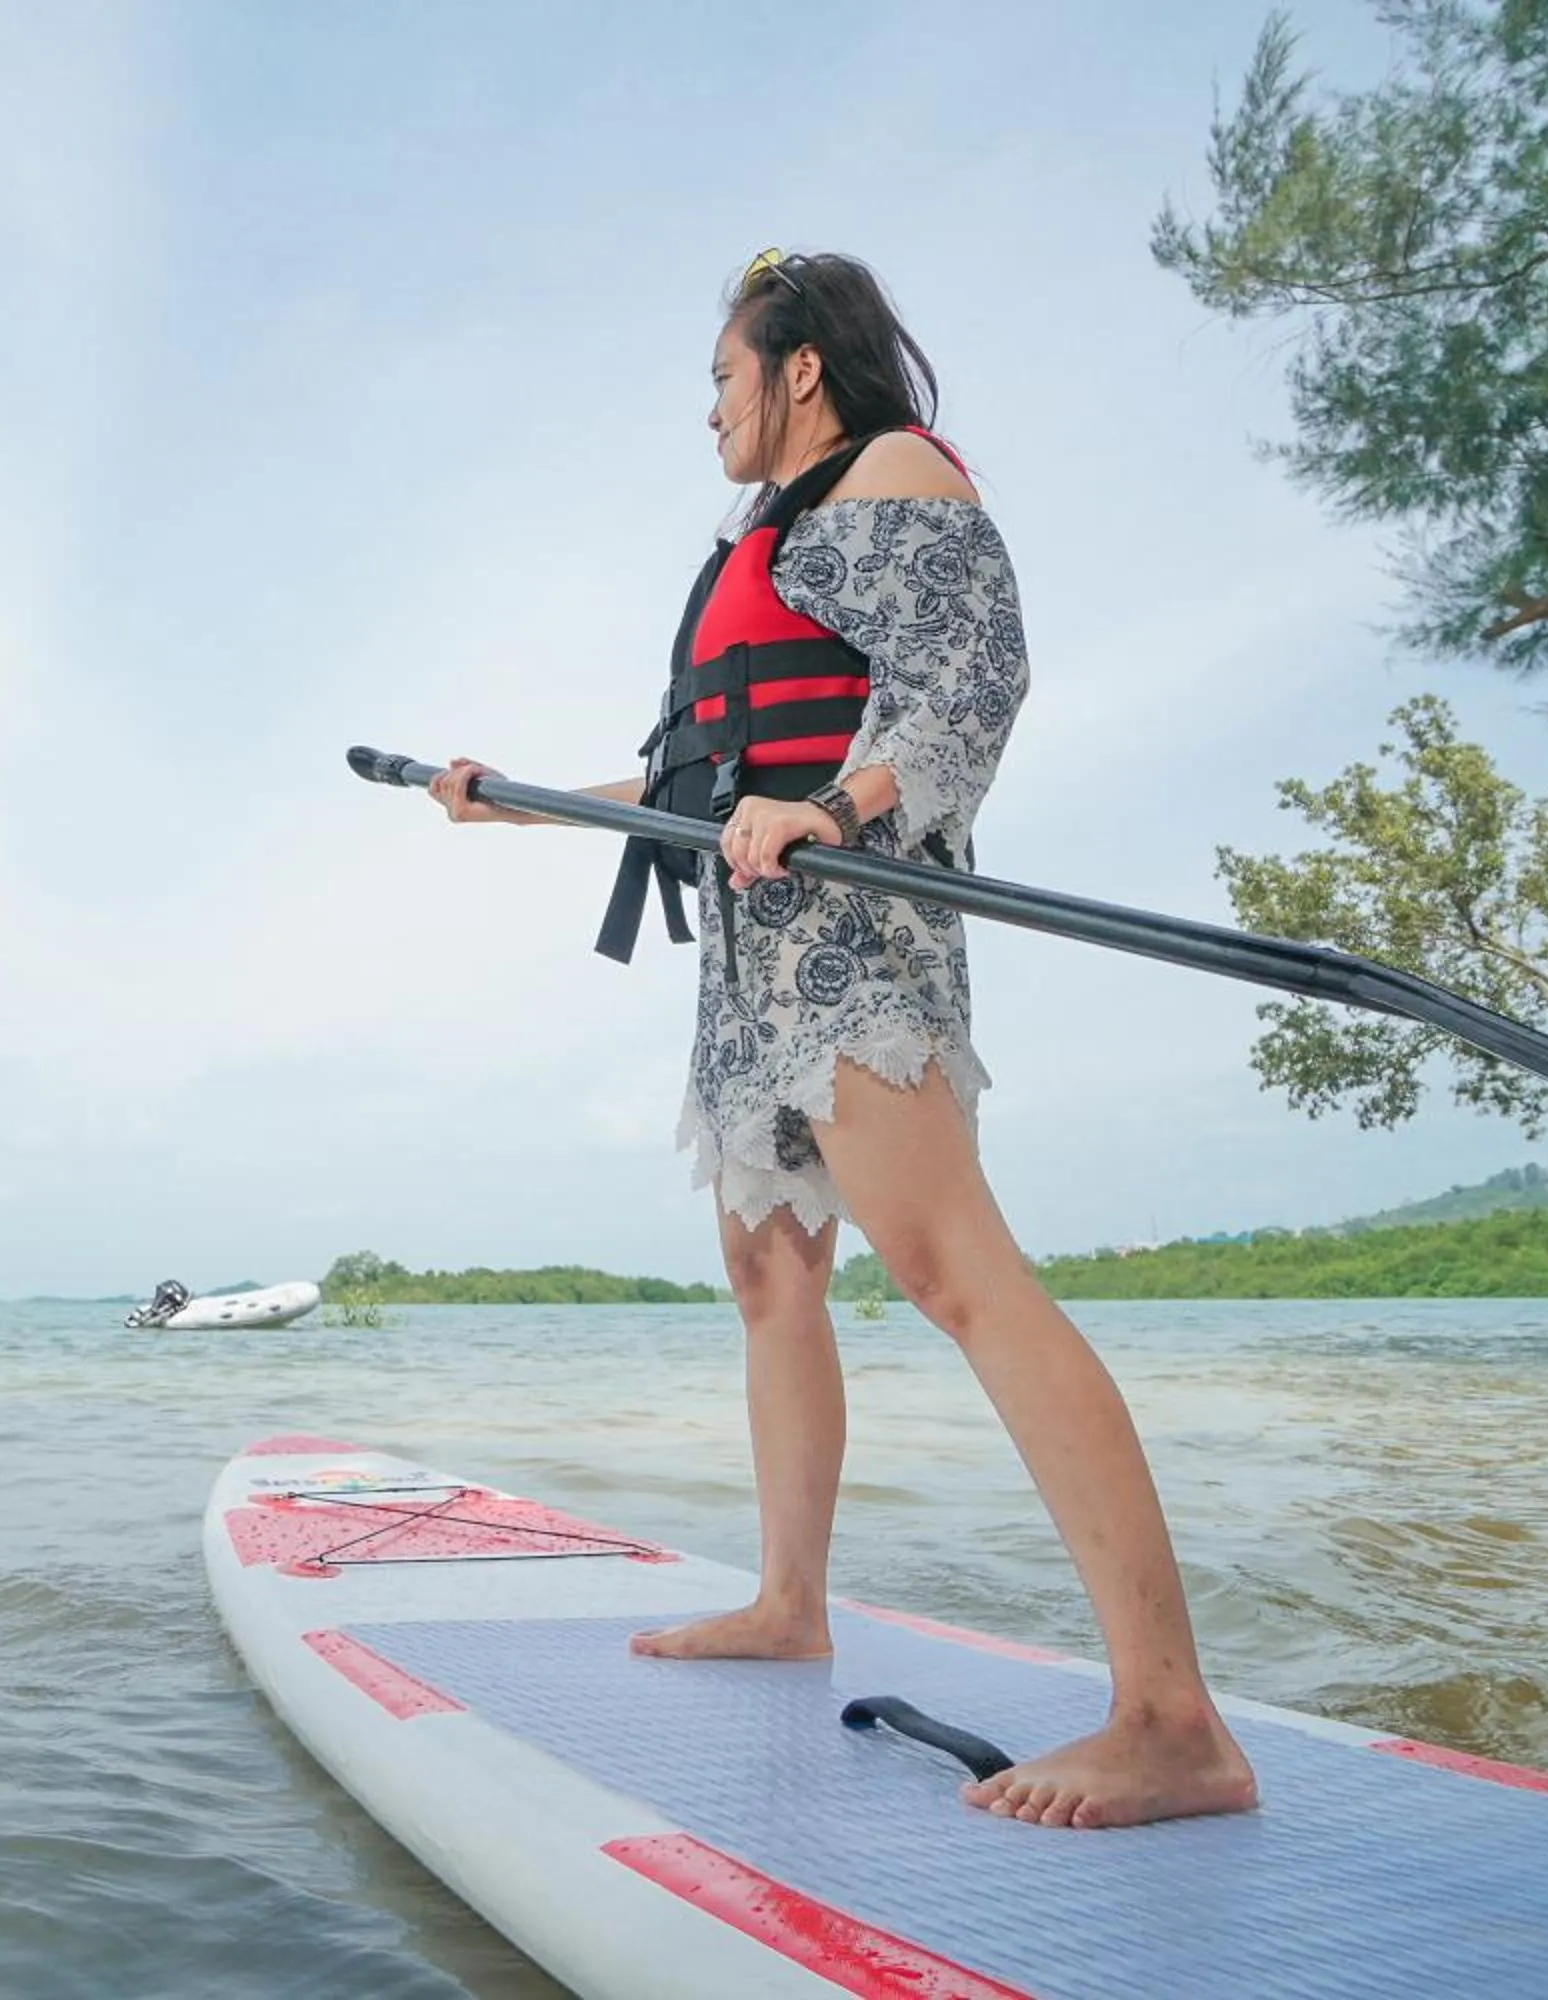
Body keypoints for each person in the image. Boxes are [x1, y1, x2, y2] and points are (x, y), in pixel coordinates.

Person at [427, 249, 1257, 1832]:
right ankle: (789, 1604)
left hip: (855, 927)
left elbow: (972, 681)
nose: (710, 414)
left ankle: (1173, 1719)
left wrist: (836, 806)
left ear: (798, 367)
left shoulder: (893, 476)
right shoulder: (770, 535)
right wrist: (515, 802)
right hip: (751, 951)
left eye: (722, 380)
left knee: (954, 1272)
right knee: (770, 1278)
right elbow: (697, 780)